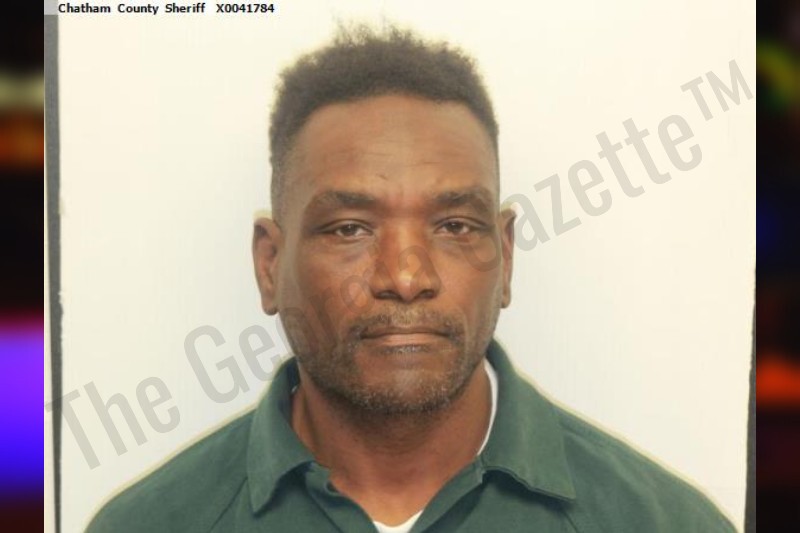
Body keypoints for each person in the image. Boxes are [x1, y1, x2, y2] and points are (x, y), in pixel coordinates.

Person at [88, 27, 736, 533]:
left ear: (506, 258)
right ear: (268, 265)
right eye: (350, 229)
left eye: (454, 226)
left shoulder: (663, 522)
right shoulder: (149, 524)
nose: (405, 276)